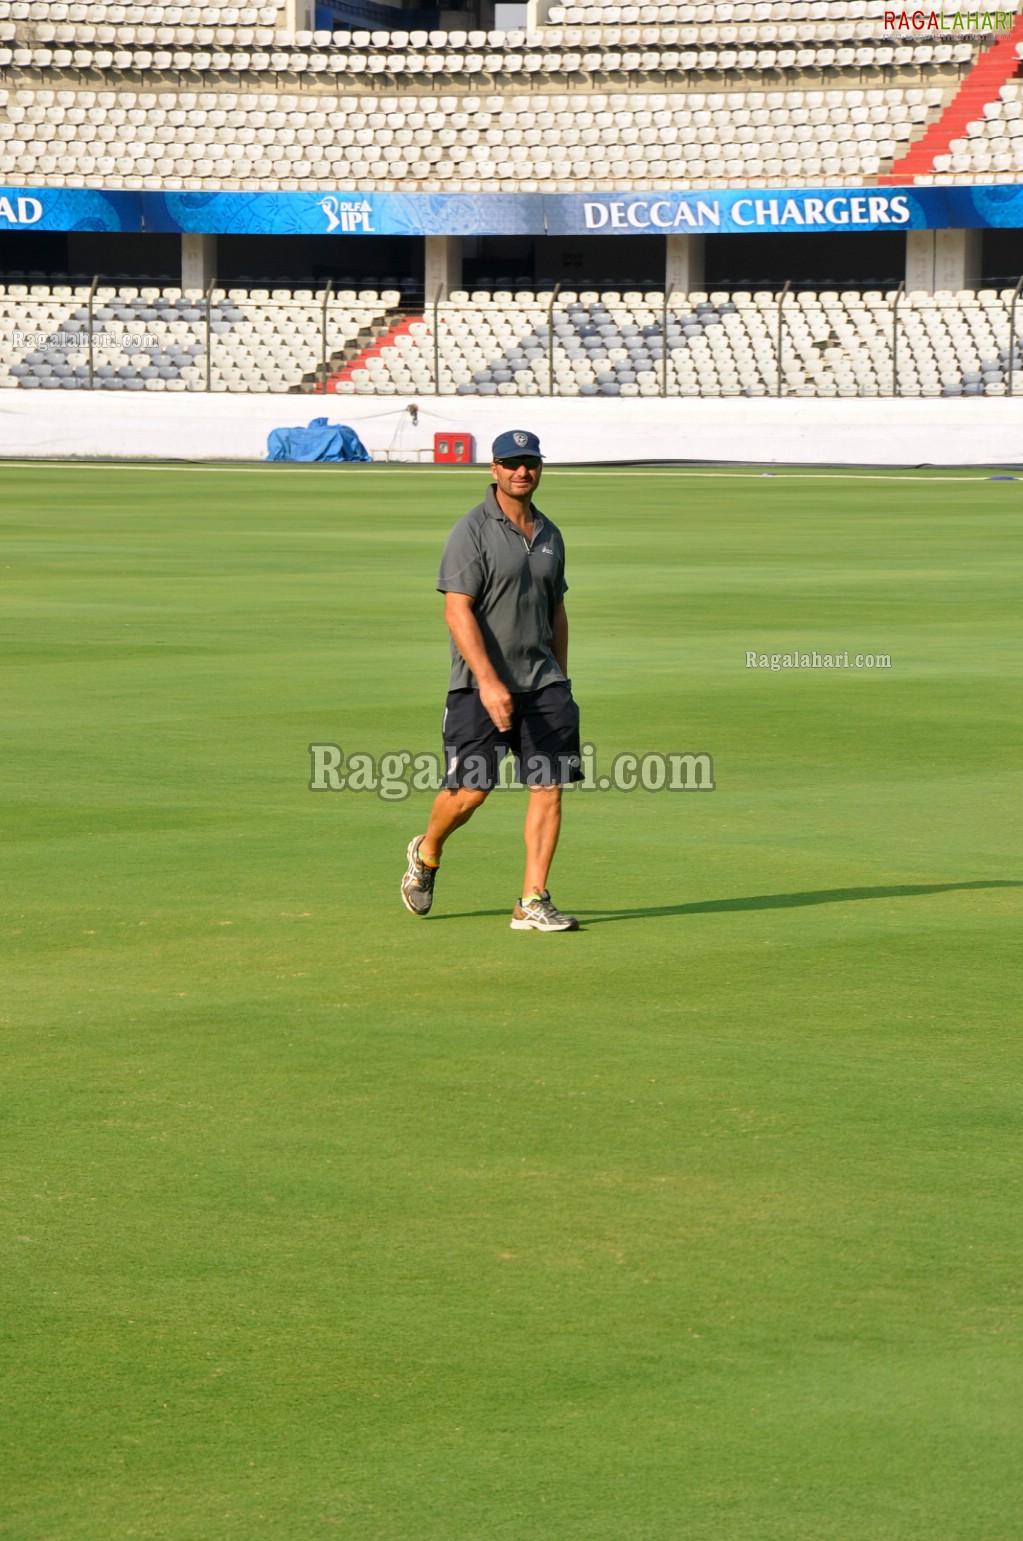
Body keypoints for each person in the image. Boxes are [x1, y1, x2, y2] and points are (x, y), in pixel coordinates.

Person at [401, 429, 583, 931]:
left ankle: (532, 900)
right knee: (470, 793)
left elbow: (558, 610)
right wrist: (488, 682)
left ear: (540, 468)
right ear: (494, 469)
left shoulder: (550, 533)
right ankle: (428, 849)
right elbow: (456, 611)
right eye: (511, 463)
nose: (521, 471)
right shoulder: (472, 530)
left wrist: (561, 681)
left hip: (543, 685)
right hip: (479, 686)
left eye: (530, 463)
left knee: (549, 789)